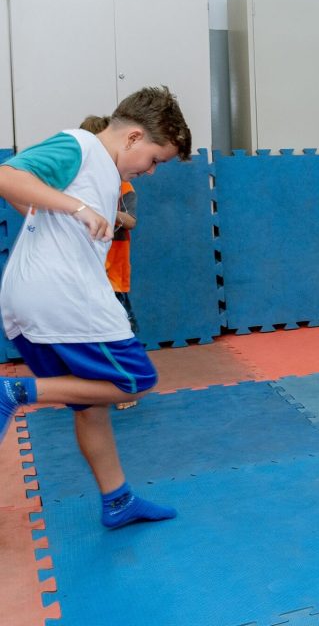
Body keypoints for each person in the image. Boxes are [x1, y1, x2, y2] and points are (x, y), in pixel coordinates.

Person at [0, 86, 191, 529]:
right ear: (133, 138)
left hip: (29, 300)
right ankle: (15, 392)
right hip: (64, 300)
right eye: (154, 159)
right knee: (135, 380)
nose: (151, 171)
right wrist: (77, 206)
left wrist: (58, 208)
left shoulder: (101, 168)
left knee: (89, 404)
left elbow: (23, 197)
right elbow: (6, 176)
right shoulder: (82, 145)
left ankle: (118, 500)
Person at [82, 117, 141, 411]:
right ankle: (96, 385)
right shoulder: (81, 186)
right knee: (89, 330)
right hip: (86, 271)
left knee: (120, 328)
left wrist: (111, 212)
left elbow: (131, 220)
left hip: (114, 272)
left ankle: (127, 386)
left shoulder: (124, 187)